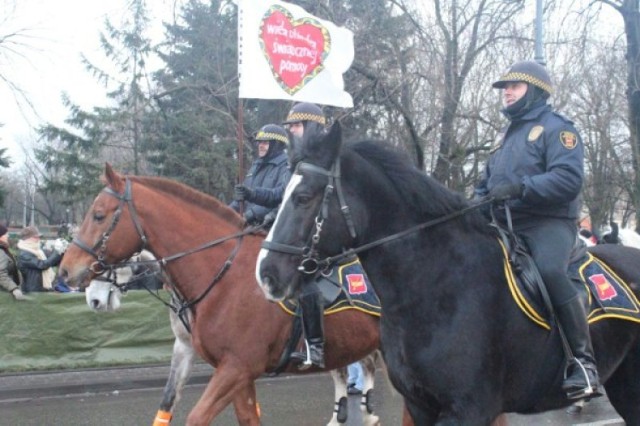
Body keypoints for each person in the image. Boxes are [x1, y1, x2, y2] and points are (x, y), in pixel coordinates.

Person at [474, 60, 599, 399]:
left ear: (535, 90)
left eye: (514, 86)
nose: (507, 93)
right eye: (504, 88)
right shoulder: (506, 140)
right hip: (505, 224)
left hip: (548, 223)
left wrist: (521, 187)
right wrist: (473, 203)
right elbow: (486, 185)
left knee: (549, 271)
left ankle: (582, 364)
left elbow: (568, 179)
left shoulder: (558, 129)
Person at [278, 103, 330, 369]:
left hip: (323, 235)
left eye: (296, 126)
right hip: (299, 232)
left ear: (310, 127)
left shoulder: (323, 158)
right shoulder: (297, 160)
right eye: (290, 126)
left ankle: (315, 345)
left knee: (305, 280)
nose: (291, 130)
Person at [231, 124, 291, 228]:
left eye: (265, 143)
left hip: (267, 228)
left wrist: (251, 214)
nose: (260, 145)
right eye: (259, 142)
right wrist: (226, 212)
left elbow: (279, 199)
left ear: (276, 145)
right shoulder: (255, 165)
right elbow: (242, 198)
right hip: (245, 226)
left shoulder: (287, 168)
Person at [17, 226, 63, 293]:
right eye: (36, 237)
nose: (38, 239)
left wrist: (62, 252)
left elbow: (52, 261)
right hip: (33, 291)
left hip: (43, 289)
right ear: (27, 238)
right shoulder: (24, 254)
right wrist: (57, 252)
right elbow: (42, 265)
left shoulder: (38, 251)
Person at [0, 224, 28, 300]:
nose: (8, 236)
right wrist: (14, 289)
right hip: (5, 294)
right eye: (5, 234)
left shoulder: (4, 250)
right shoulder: (1, 252)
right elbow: (1, 274)